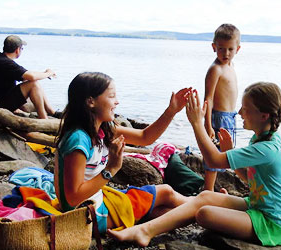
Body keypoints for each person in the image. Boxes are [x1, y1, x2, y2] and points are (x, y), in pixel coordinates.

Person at [109, 82, 281, 247]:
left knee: (204, 213)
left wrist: (197, 123)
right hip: (256, 205)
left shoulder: (268, 148)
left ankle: (150, 226)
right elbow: (248, 177)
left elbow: (214, 160)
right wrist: (232, 157)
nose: (239, 112)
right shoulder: (261, 138)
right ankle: (146, 230)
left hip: (270, 223)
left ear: (264, 115)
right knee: (205, 195)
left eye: (245, 108)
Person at [55, 72, 192, 235]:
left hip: (95, 204)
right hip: (85, 216)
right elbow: (73, 198)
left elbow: (145, 137)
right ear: (91, 101)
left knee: (163, 212)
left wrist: (171, 111)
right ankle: (206, 205)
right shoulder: (78, 140)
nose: (117, 101)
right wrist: (111, 169)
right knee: (166, 192)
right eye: (112, 96)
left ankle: (206, 210)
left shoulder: (101, 129)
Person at [202, 23, 241, 191]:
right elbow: (208, 99)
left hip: (230, 116)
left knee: (226, 154)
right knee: (213, 155)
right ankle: (208, 189)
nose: (226, 53)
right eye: (221, 49)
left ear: (238, 49)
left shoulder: (230, 66)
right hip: (218, 117)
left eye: (230, 49)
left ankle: (217, 186)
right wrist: (208, 124)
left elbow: (230, 91)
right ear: (213, 47)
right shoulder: (215, 69)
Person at [0, 35, 57, 119]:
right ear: (17, 50)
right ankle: (44, 119)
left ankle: (51, 112)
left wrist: (44, 73)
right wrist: (48, 73)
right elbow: (32, 76)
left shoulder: (0, 59)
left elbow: (26, 76)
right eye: (22, 49)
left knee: (30, 81)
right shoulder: (5, 62)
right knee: (33, 84)